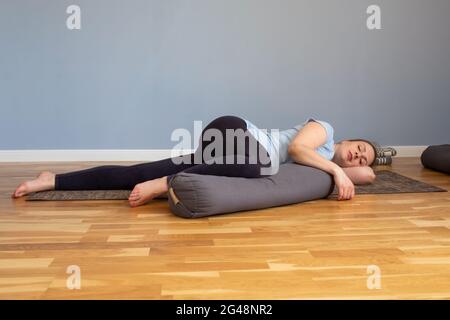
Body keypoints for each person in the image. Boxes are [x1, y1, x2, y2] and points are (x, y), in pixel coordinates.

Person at [12, 115, 379, 207]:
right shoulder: (325, 132)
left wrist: (350, 170)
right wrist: (334, 167)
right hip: (235, 133)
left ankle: (53, 179)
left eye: (363, 156)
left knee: (135, 173)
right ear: (345, 138)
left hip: (228, 157)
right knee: (258, 167)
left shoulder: (330, 167)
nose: (360, 155)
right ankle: (166, 185)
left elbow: (369, 177)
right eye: (360, 146)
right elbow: (298, 149)